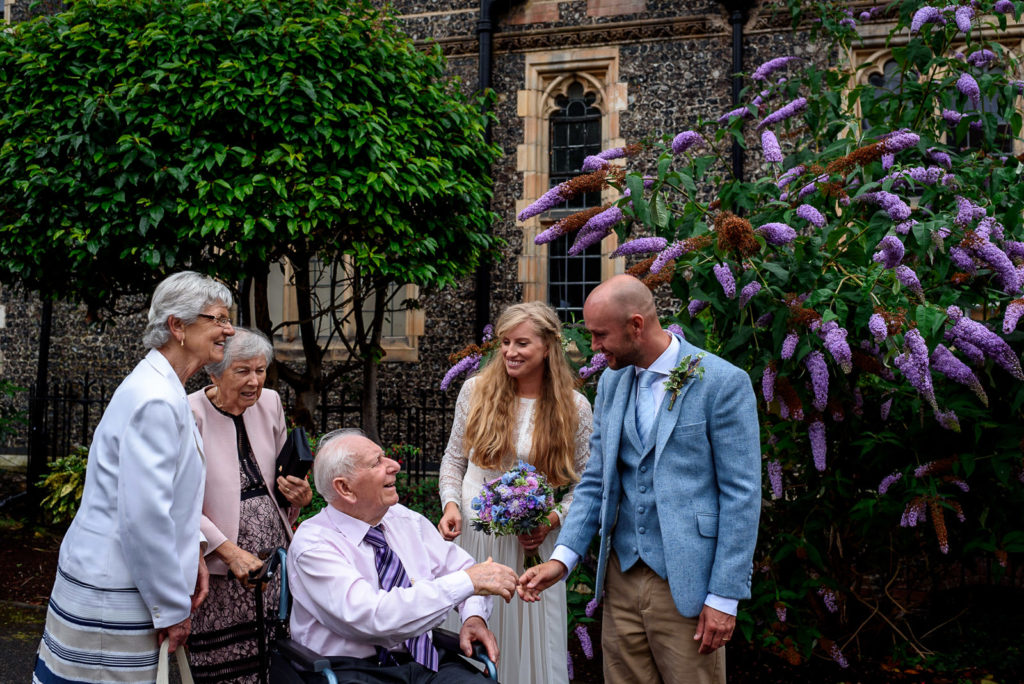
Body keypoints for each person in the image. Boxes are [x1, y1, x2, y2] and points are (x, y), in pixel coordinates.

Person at [519, 274, 762, 684]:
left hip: (690, 583)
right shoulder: (612, 382)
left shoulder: (722, 383)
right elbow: (595, 480)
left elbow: (742, 495)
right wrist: (562, 559)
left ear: (636, 325)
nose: (593, 347)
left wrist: (725, 596)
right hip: (621, 577)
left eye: (600, 335)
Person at [33, 271, 235, 683]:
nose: (229, 329)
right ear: (177, 326)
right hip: (117, 592)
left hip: (114, 582)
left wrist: (193, 547)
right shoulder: (155, 399)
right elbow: (143, 518)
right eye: (217, 318)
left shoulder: (163, 388)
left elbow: (164, 501)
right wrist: (172, 609)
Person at [437, 300, 593, 684]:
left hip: (533, 548)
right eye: (505, 342)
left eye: (521, 343)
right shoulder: (476, 391)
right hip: (474, 540)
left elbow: (588, 486)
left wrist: (552, 520)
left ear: (548, 347)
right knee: (472, 641)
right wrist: (451, 504)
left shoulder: (574, 407)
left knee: (527, 650)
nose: (509, 351)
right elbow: (454, 460)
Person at [287, 429, 519, 683]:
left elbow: (462, 567)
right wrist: (467, 582)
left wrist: (474, 617)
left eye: (385, 457)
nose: (395, 465)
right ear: (345, 488)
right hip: (350, 670)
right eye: (377, 462)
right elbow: (374, 617)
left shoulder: (403, 519)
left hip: (424, 661)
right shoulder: (313, 544)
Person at [187, 327, 313, 683]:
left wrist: (298, 497)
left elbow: (281, 480)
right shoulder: (188, 413)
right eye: (242, 371)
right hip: (220, 568)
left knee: (273, 656)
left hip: (271, 561)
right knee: (223, 664)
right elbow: (179, 501)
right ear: (214, 372)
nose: (254, 381)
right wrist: (228, 552)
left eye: (260, 370)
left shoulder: (270, 402)